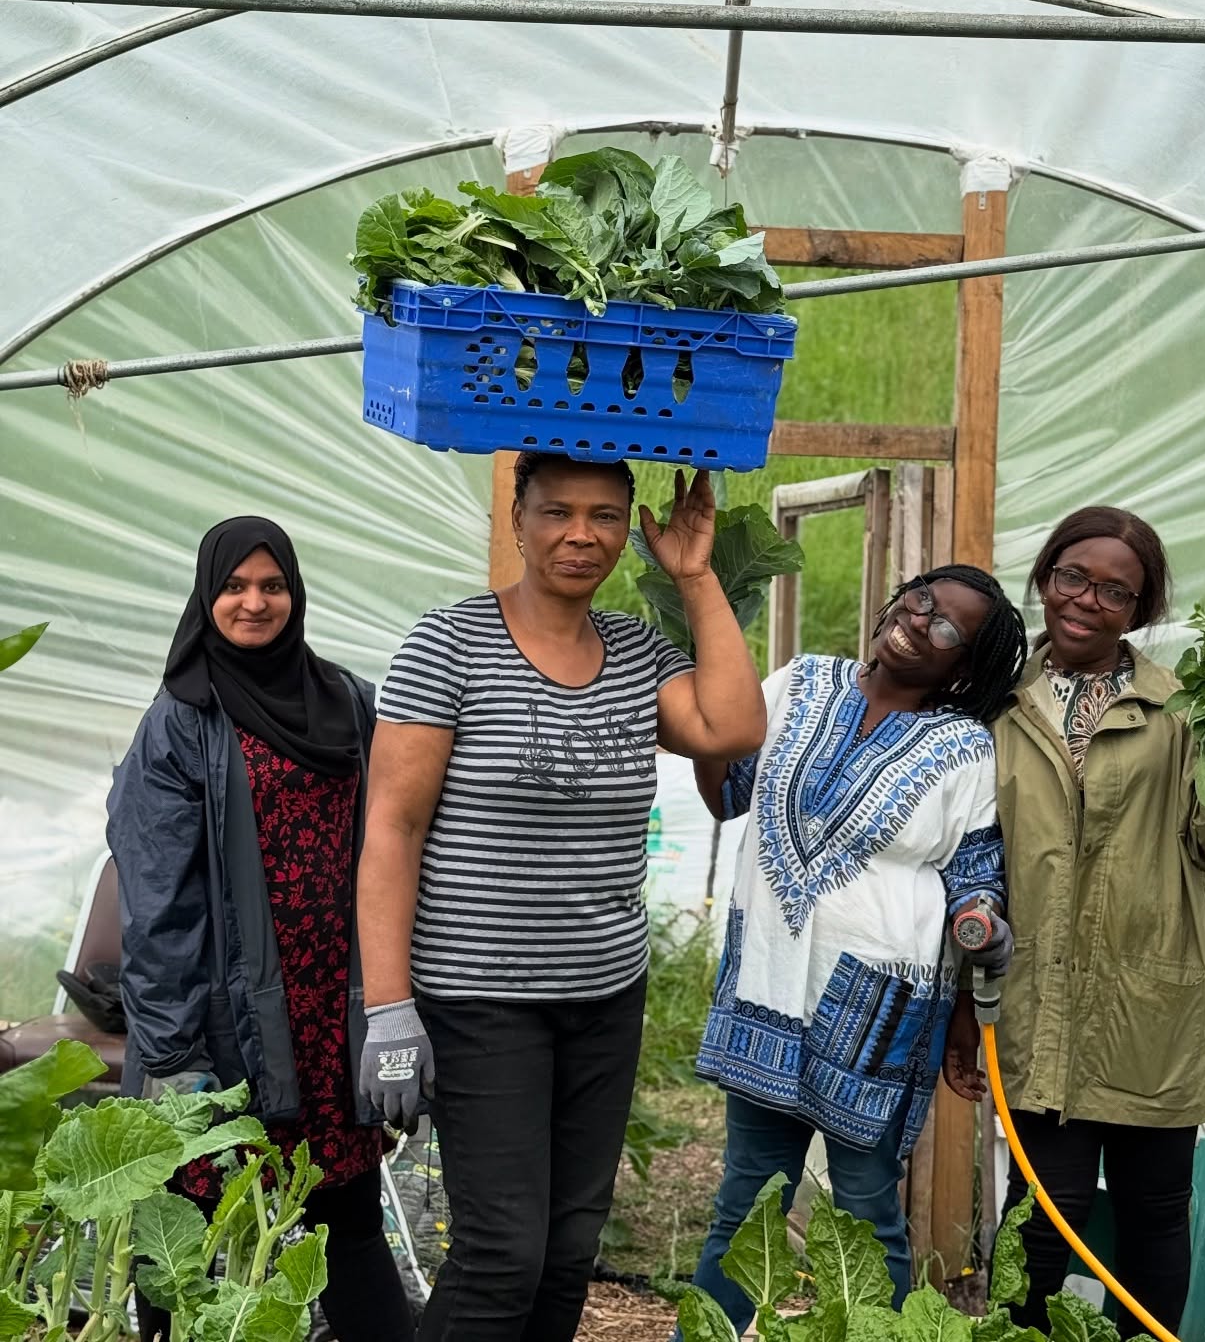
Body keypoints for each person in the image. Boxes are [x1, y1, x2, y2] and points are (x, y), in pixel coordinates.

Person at [356, 457, 766, 1342]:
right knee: (503, 1253)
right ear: (517, 518)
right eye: (558, 512)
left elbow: (733, 727)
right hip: (479, 997)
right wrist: (389, 1011)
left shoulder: (637, 654)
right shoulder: (450, 644)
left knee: (567, 1249)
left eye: (606, 517)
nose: (581, 536)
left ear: (629, 529)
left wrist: (692, 575)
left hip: (602, 993)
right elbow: (391, 828)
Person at [687, 566, 1030, 1333]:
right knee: (747, 1208)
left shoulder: (964, 747)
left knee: (868, 1212)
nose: (918, 620)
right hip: (767, 990)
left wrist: (981, 924)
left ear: (964, 668)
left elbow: (977, 870)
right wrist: (711, 721)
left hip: (880, 1013)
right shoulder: (801, 680)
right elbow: (728, 791)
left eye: (946, 628)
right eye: (921, 600)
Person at [991, 506, 1205, 1336]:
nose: (1087, 601)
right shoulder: (997, 702)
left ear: (1143, 610)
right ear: (1045, 578)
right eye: (1072, 578)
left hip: (1152, 1002)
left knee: (1154, 1214)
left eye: (1116, 591)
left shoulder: (1186, 712)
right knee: (1039, 1218)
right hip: (1036, 1000)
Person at [107, 516, 413, 1342]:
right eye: (235, 587)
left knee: (344, 1221)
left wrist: (391, 1006)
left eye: (271, 585)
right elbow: (158, 906)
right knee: (188, 1236)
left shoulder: (347, 701)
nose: (254, 602)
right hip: (219, 1025)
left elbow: (396, 838)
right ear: (207, 598)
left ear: (296, 593)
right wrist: (172, 1056)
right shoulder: (180, 722)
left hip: (325, 1016)